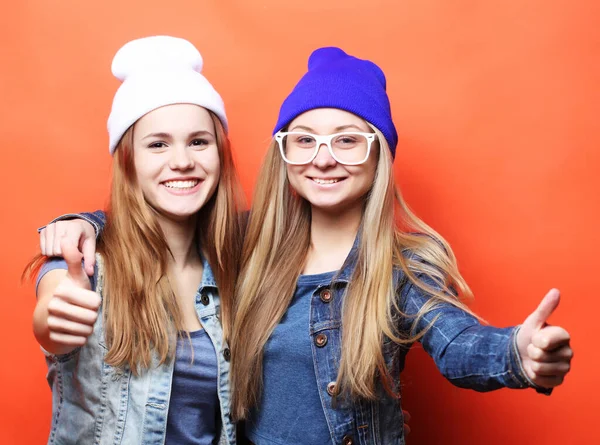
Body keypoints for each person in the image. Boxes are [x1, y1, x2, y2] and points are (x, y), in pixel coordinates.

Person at [36, 47, 571, 445]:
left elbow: (457, 344)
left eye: (346, 140)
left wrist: (515, 355)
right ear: (285, 154)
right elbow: (148, 223)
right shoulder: (247, 250)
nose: (323, 158)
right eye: (305, 139)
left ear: (377, 153)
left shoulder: (399, 269)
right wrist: (76, 226)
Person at [26, 36, 244, 444]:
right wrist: (54, 318)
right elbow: (53, 314)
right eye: (157, 144)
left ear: (219, 154)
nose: (181, 160)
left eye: (199, 141)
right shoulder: (84, 266)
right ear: (128, 161)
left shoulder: (239, 264)